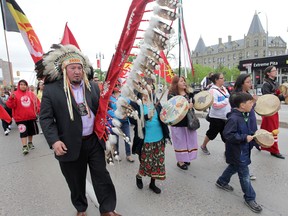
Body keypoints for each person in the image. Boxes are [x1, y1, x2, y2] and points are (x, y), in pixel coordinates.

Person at [37, 44, 121, 216]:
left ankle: (107, 209)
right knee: (75, 181)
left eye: (79, 68)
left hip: (93, 142)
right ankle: (81, 208)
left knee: (102, 176)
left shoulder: (92, 87)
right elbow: (45, 119)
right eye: (72, 68)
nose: (76, 71)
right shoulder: (52, 91)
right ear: (64, 69)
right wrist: (54, 141)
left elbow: (100, 111)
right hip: (68, 144)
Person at [216, 92, 262, 213]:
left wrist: (257, 141)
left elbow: (249, 132)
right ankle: (250, 198)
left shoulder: (244, 114)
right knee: (244, 175)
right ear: (242, 105)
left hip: (243, 150)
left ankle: (221, 181)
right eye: (250, 102)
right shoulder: (234, 118)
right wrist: (243, 138)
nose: (253, 104)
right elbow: (228, 135)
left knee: (234, 166)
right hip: (238, 151)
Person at [232, 74, 260, 180]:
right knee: (244, 145)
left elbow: (252, 107)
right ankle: (245, 169)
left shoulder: (248, 93)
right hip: (242, 121)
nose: (250, 84)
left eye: (250, 81)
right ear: (242, 83)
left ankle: (242, 165)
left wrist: (254, 102)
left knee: (250, 144)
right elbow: (235, 108)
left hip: (251, 120)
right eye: (248, 82)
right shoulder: (236, 95)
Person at [168, 75, 198, 170]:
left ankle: (186, 158)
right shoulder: (172, 95)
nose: (184, 82)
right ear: (176, 83)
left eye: (184, 80)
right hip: (178, 122)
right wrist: (186, 106)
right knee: (180, 142)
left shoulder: (188, 93)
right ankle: (180, 161)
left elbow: (194, 104)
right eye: (181, 81)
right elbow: (171, 109)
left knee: (190, 140)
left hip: (189, 121)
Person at [6, 79, 40, 155]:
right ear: (19, 85)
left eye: (24, 84)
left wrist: (39, 110)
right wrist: (11, 98)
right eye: (21, 84)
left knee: (31, 131)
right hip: (20, 118)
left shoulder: (31, 94)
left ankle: (30, 143)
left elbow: (37, 103)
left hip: (31, 117)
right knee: (23, 132)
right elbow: (10, 105)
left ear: (26, 86)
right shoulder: (15, 94)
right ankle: (24, 146)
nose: (23, 86)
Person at [200, 73, 231, 155]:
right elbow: (215, 105)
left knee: (226, 135)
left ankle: (227, 151)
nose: (224, 79)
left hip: (226, 117)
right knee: (211, 134)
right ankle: (203, 146)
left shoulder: (224, 88)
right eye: (222, 78)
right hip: (216, 118)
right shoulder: (212, 91)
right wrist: (227, 100)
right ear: (216, 80)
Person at [260, 65, 286, 159]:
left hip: (273, 110)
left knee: (266, 129)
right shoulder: (266, 84)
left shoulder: (273, 82)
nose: (276, 71)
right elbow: (269, 99)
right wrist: (283, 97)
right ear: (268, 73)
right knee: (273, 130)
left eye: (276, 70)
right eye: (274, 70)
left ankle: (259, 142)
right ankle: (274, 150)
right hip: (269, 111)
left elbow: (276, 95)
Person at [108, 84, 134, 162]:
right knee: (115, 139)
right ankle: (117, 154)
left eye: (118, 85)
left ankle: (128, 155)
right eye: (115, 85)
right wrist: (117, 115)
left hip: (125, 121)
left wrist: (127, 113)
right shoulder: (109, 98)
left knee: (127, 137)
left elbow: (129, 106)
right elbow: (108, 110)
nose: (117, 86)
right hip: (115, 121)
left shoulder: (124, 96)